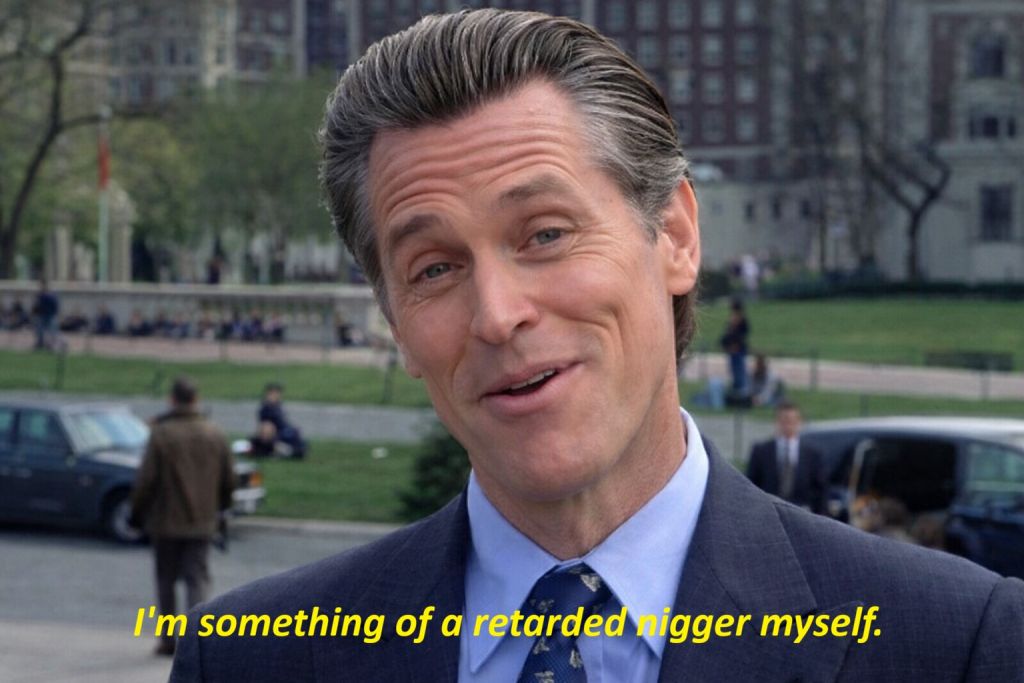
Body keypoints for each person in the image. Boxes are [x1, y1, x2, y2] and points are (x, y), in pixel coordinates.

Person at [171, 10, 1023, 682]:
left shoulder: (957, 646)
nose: (498, 314)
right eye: (434, 267)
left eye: (545, 233)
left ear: (675, 236)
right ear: (393, 320)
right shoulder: (250, 659)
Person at [131, 377, 235, 657]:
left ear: (172, 400)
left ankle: (168, 639)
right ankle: (195, 642)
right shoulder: (214, 433)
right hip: (202, 521)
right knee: (197, 580)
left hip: (165, 521)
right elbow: (228, 480)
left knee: (166, 580)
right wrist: (221, 509)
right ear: (196, 399)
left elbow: (146, 481)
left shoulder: (162, 434)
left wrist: (137, 514)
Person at [746, 401, 827, 514]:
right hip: (769, 511)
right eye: (784, 421)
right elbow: (751, 485)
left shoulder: (812, 454)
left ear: (799, 423)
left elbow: (820, 490)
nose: (788, 426)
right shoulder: (761, 451)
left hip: (801, 513)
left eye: (792, 421)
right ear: (776, 422)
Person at [254, 382, 306, 459]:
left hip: (282, 431)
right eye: (274, 394)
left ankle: (291, 451)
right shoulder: (266, 409)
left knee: (296, 435)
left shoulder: (277, 407)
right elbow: (267, 426)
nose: (277, 396)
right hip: (276, 434)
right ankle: (287, 451)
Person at [719, 298, 750, 394]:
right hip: (733, 349)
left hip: (738, 349)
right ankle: (737, 389)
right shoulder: (733, 320)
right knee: (735, 371)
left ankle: (742, 391)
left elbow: (741, 334)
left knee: (739, 371)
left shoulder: (740, 320)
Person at [31, 277, 59, 349]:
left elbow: (55, 305)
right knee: (39, 330)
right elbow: (36, 305)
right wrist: (34, 313)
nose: (42, 286)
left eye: (43, 284)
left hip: (50, 315)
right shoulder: (39, 295)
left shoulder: (51, 294)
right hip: (41, 315)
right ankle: (40, 343)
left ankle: (51, 345)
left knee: (52, 331)